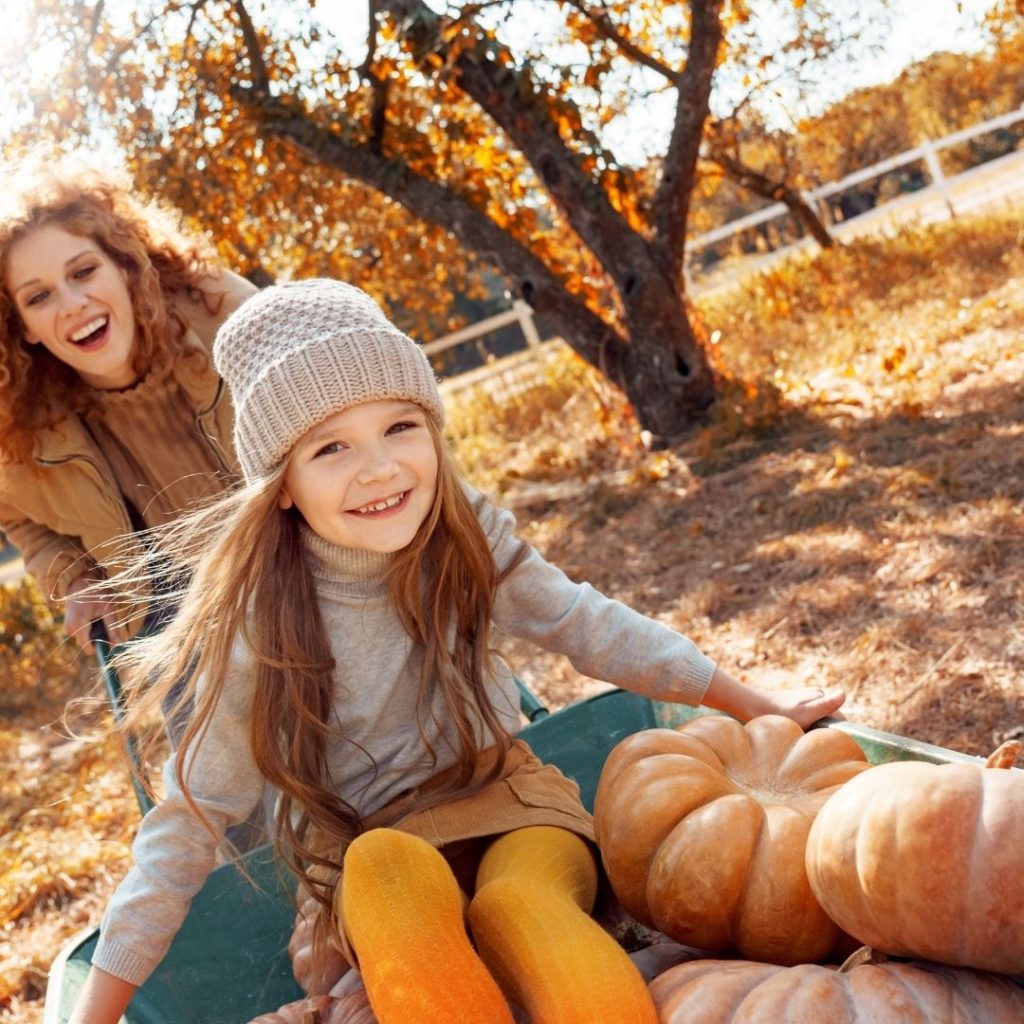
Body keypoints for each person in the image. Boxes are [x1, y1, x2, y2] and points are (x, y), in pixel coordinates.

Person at [68, 279, 846, 1024]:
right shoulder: (257, 629)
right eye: (330, 448)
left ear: (434, 430)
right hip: (365, 849)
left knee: (519, 903)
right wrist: (95, 1015)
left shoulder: (461, 530)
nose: (379, 468)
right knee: (382, 867)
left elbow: (585, 623)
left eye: (400, 427)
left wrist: (754, 704)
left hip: (504, 802)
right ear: (281, 485)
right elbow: (187, 823)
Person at [0, 152, 257, 654]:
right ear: (22, 329)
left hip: (305, 546)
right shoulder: (25, 424)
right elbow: (18, 515)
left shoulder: (224, 315)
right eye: (38, 297)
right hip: (175, 610)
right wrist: (75, 578)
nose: (73, 304)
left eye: (84, 271)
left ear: (124, 264)